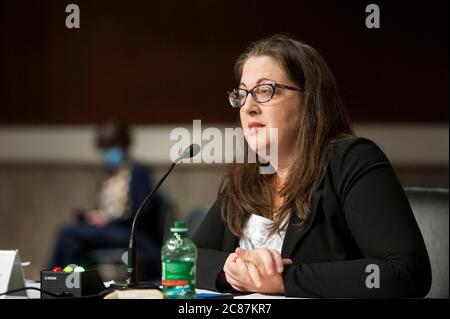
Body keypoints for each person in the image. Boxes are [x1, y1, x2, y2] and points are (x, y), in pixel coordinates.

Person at [192, 34, 431, 298]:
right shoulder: (246, 174)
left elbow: (407, 272)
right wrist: (230, 269)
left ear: (310, 100)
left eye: (264, 90)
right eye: (243, 94)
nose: (248, 107)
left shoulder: (352, 160)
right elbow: (187, 258)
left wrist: (283, 280)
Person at [49, 122, 163, 280]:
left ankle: (55, 279)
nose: (106, 153)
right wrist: (91, 216)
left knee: (67, 231)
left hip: (129, 232)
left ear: (123, 145)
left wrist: (108, 219)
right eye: (104, 148)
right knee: (73, 240)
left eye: (110, 146)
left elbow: (143, 210)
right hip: (108, 230)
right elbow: (103, 207)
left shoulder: (138, 172)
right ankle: (69, 283)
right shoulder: (108, 175)